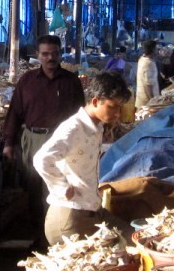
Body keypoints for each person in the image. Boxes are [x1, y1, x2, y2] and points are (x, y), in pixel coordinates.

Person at [1, 34, 86, 243]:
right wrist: (9, 143)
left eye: (54, 54)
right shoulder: (27, 81)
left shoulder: (71, 82)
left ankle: (55, 239)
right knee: (33, 187)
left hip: (62, 143)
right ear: (37, 55)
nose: (50, 58)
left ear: (60, 54)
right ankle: (38, 235)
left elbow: (81, 116)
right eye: (45, 54)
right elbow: (14, 113)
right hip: (33, 140)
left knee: (57, 190)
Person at [33, 71, 131, 245]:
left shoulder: (97, 126)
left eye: (119, 108)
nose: (117, 113)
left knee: (133, 238)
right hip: (70, 218)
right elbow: (41, 158)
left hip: (92, 210)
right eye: (112, 107)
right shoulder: (73, 128)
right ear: (95, 101)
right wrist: (61, 186)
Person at [134, 39, 161, 109]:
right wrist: (154, 103)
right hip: (148, 103)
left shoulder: (141, 59)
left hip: (141, 100)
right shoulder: (149, 63)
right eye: (156, 49)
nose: (157, 51)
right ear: (152, 50)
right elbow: (150, 84)